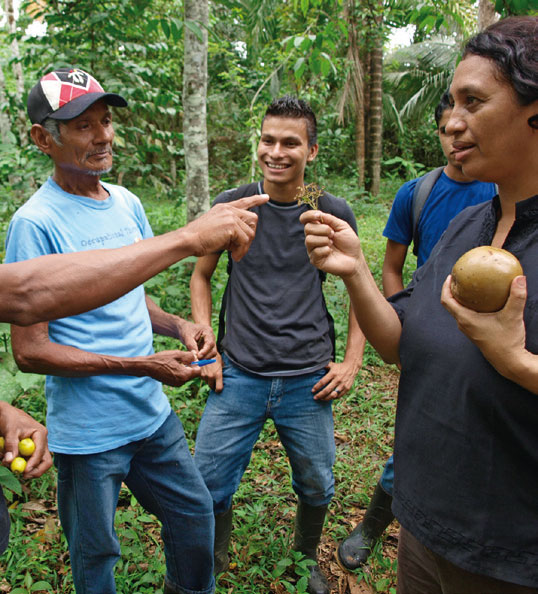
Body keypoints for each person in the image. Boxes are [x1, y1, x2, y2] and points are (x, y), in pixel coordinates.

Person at [4, 67, 267, 594]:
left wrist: (177, 325)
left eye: (105, 121)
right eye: (82, 126)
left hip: (150, 415)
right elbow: (31, 352)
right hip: (88, 432)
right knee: (96, 550)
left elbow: (127, 293)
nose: (102, 136)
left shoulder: (126, 202)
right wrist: (138, 365)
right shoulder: (35, 223)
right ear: (42, 138)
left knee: (194, 516)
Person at [302, 15, 538, 593]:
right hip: (425, 527)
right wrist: (356, 270)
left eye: (473, 103)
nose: (451, 123)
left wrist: (517, 362)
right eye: (450, 104)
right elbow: (399, 345)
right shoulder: (467, 226)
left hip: (511, 557)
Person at [189, 95, 365, 594]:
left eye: (291, 142)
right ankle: (216, 553)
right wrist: (206, 342)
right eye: (268, 140)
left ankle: (304, 556)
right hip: (238, 371)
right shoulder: (233, 205)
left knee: (317, 482)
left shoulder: (328, 211)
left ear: (310, 150)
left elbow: (360, 288)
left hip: (307, 378)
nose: (276, 151)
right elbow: (201, 277)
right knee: (208, 484)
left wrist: (351, 361)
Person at [337, 90, 497, 571]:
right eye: (449, 126)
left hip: (493, 334)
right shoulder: (418, 193)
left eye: (471, 119)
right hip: (430, 330)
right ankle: (375, 523)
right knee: (420, 431)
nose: (456, 136)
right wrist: (399, 320)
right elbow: (393, 265)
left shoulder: (497, 191)